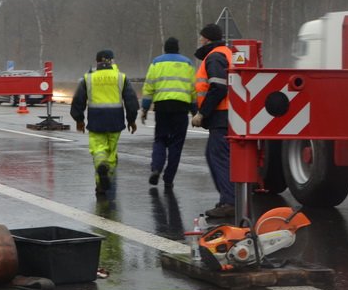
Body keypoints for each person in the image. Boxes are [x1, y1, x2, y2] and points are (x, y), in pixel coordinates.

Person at [70, 50, 139, 194]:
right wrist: (131, 120)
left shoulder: (88, 78)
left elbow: (78, 100)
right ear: (111, 61)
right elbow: (131, 101)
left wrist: (79, 119)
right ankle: (106, 175)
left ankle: (100, 177)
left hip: (96, 120)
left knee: (98, 150)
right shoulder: (121, 77)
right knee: (112, 153)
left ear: (97, 62)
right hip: (115, 121)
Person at [191, 23, 235, 217]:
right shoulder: (226, 53)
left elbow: (218, 88)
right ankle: (228, 199)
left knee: (219, 158)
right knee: (215, 156)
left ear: (207, 39)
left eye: (201, 38)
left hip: (221, 116)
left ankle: (230, 202)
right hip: (228, 115)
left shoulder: (215, 56)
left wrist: (203, 113)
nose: (200, 41)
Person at [141, 36, 196, 189]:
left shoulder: (156, 62)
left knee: (160, 140)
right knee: (176, 145)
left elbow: (149, 87)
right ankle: (169, 178)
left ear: (165, 48)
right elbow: (193, 88)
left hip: (162, 107)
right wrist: (195, 110)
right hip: (181, 108)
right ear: (178, 48)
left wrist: (145, 108)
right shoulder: (187, 63)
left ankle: (157, 167)